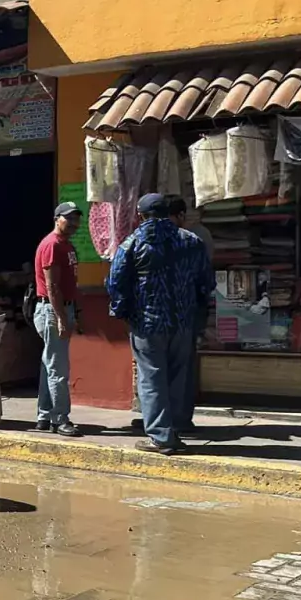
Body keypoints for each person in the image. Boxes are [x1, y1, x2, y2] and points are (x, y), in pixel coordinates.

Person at [108, 193, 214, 454]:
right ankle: (176, 427)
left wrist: (122, 312)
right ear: (169, 213)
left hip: (147, 322)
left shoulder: (132, 243)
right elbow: (206, 283)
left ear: (141, 215)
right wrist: (198, 311)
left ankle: (161, 436)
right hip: (183, 321)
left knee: (151, 377)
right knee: (179, 376)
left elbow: (115, 284)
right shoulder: (191, 241)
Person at [32, 201, 83, 436]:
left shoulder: (66, 245)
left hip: (62, 309)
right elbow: (52, 286)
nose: (73, 223)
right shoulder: (52, 245)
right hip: (53, 310)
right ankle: (60, 418)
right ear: (56, 219)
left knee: (49, 365)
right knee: (58, 368)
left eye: (76, 218)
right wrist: (61, 317)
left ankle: (44, 415)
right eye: (68, 218)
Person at [167, 195, 214, 432]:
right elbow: (206, 279)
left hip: (156, 317)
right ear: (181, 215)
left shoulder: (141, 239)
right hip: (187, 313)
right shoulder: (195, 239)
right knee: (182, 369)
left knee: (156, 371)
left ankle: (161, 422)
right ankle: (181, 418)